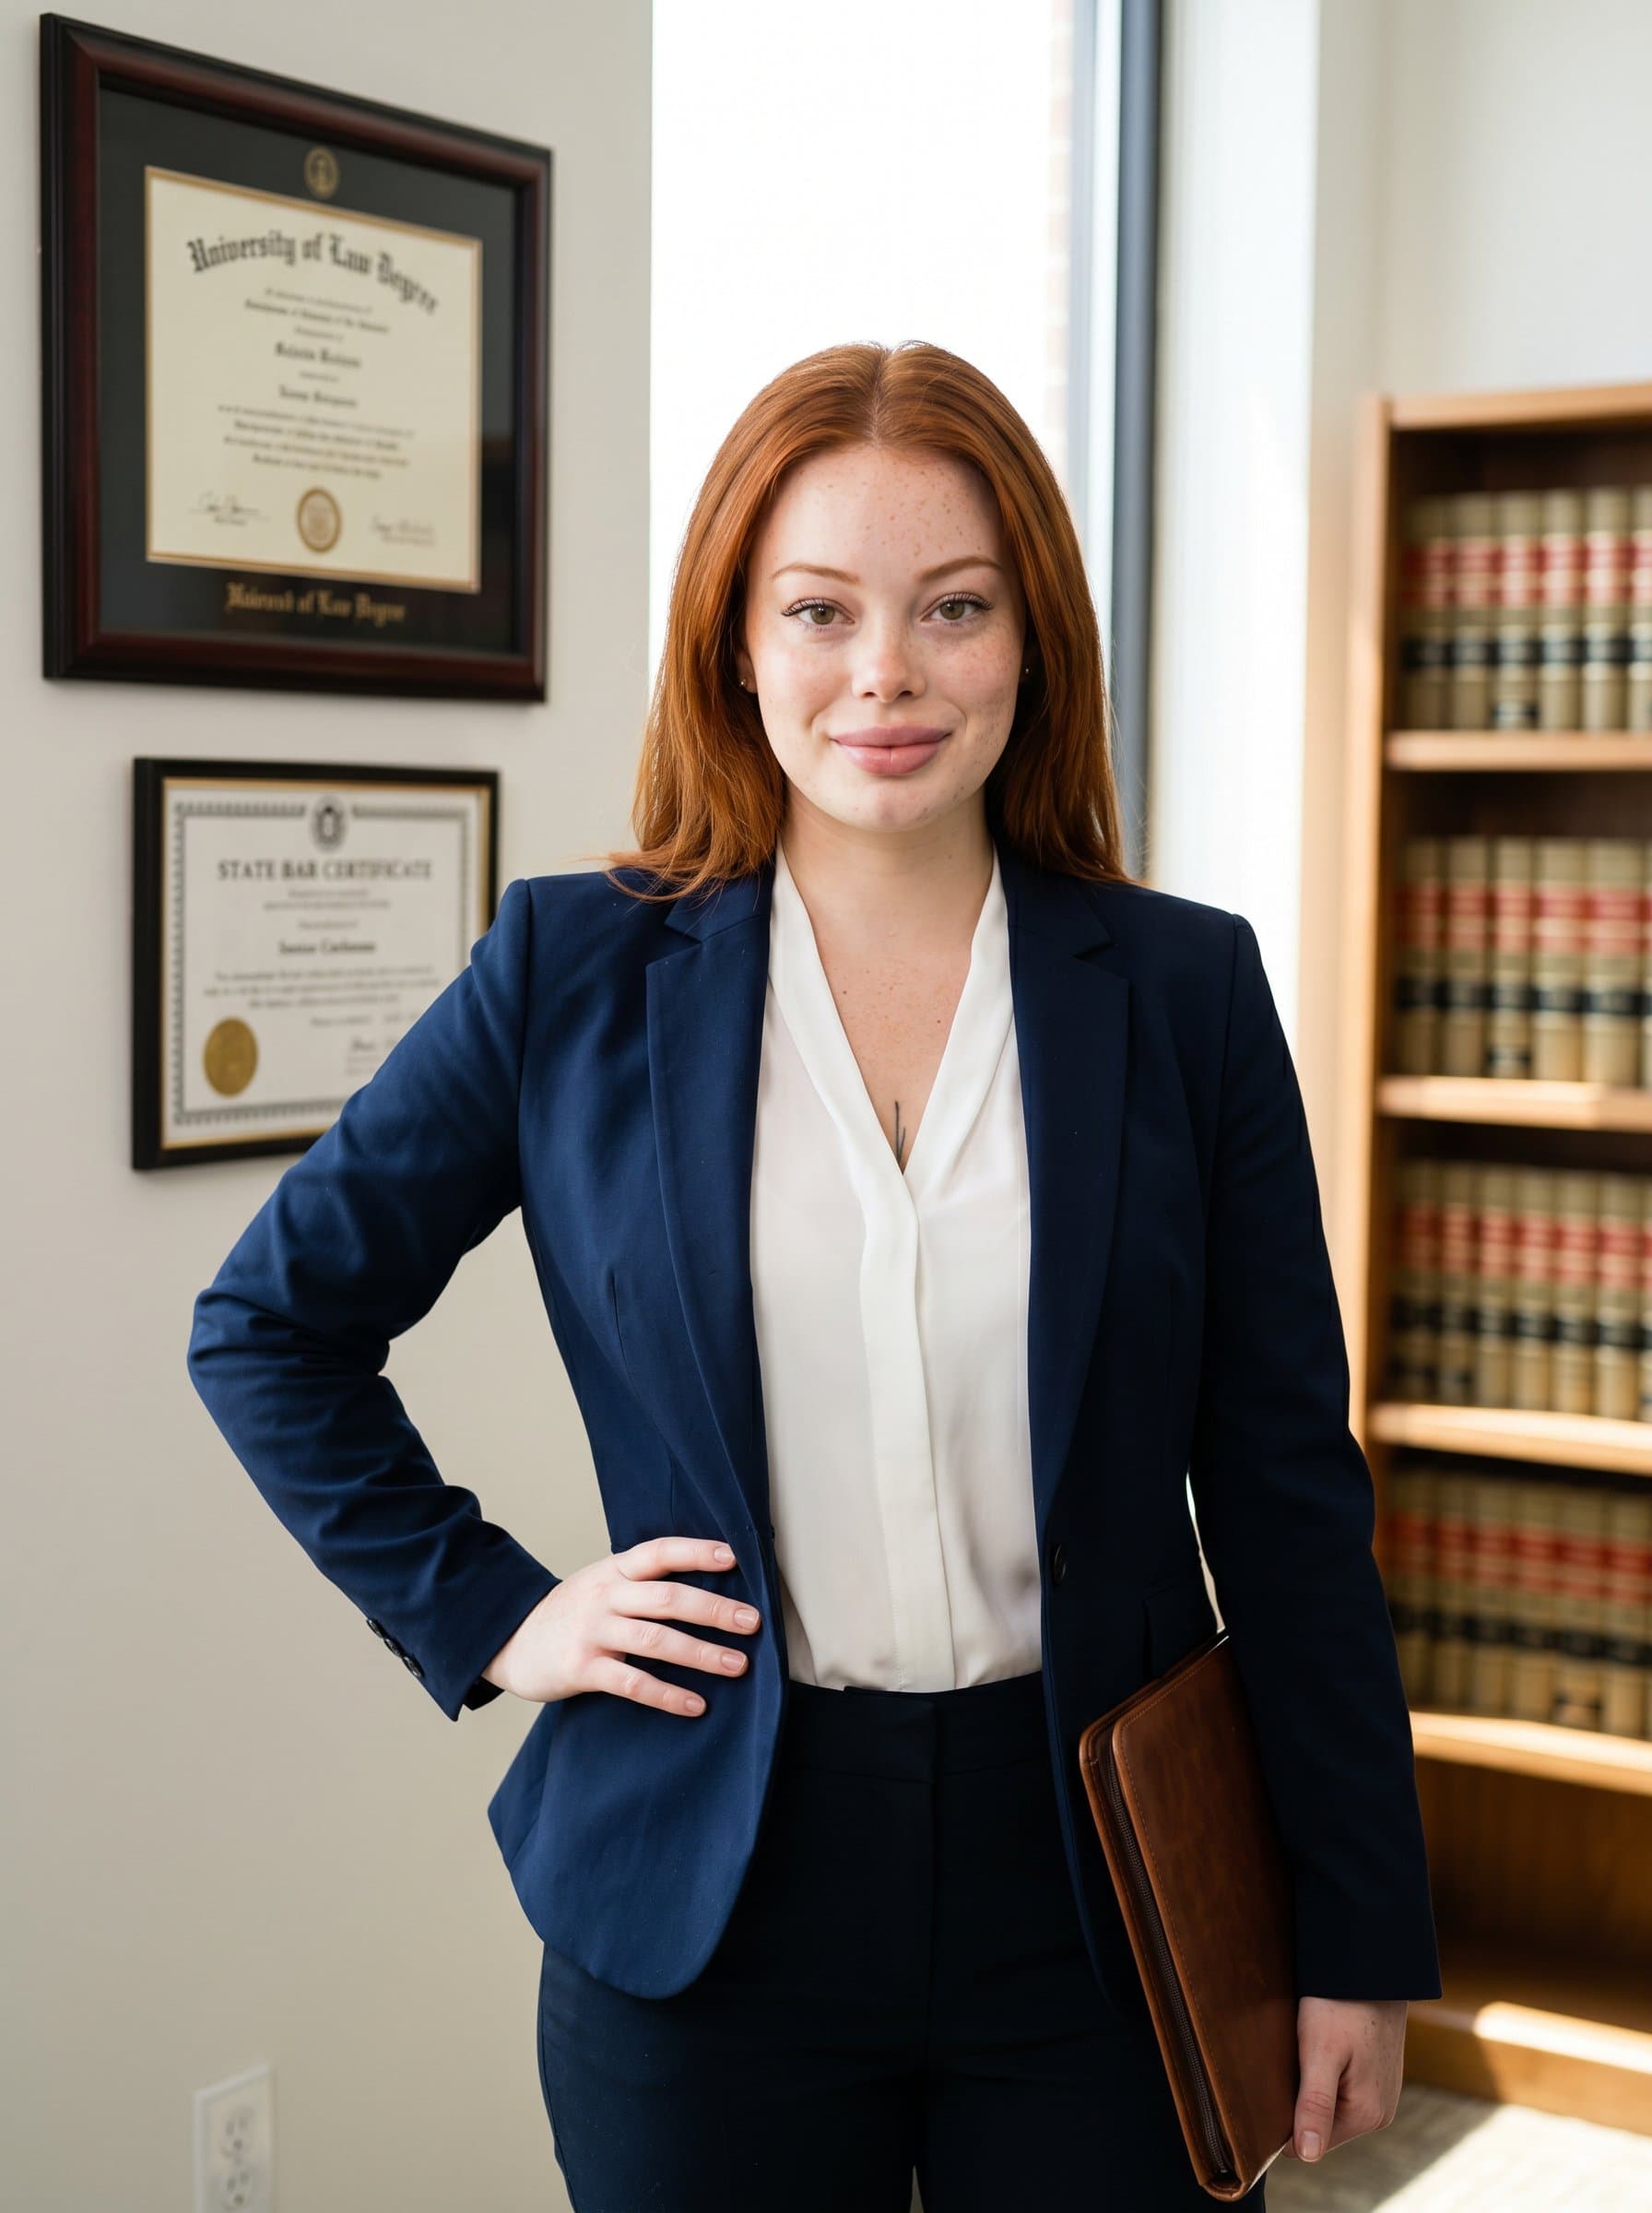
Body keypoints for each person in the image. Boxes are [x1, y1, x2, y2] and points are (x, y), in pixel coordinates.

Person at [187, 339, 1442, 2211]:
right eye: (818, 611)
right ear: (734, 645)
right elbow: (268, 1326)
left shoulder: (1177, 994)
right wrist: (495, 1613)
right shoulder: (570, 976)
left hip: (1100, 1873)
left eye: (950, 608)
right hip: (712, 1883)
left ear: (1029, 639)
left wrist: (1356, 1925)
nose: (885, 674)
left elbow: (1280, 1494)